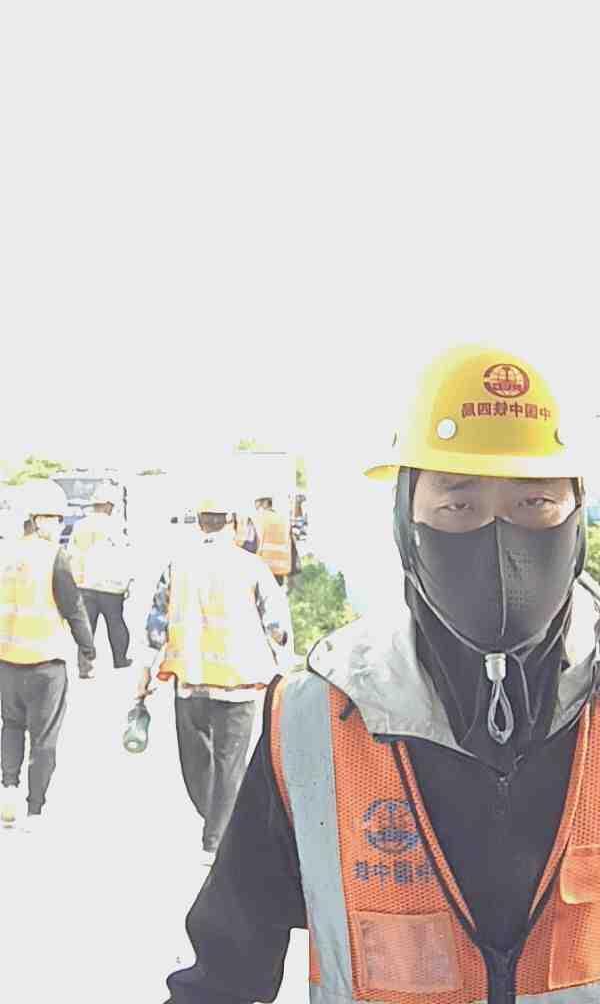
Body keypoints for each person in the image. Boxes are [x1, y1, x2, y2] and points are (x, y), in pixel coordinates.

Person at [160, 345, 600, 1004]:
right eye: (459, 506)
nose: (499, 539)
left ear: (576, 519)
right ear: (406, 525)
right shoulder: (314, 721)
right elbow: (223, 976)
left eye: (533, 502)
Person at [137, 494, 293, 867]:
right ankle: (218, 834)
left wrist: (145, 671)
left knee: (196, 765)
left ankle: (215, 831)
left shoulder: (178, 566)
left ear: (199, 523)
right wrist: (285, 663)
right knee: (229, 765)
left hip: (190, 680)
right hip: (237, 684)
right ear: (233, 523)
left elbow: (156, 625)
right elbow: (276, 626)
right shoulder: (252, 567)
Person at [0, 480, 95, 832]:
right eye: (55, 519)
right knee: (44, 739)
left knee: (11, 726)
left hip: (7, 661)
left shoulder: (5, 553)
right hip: (45, 663)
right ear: (38, 519)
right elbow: (73, 607)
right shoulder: (53, 556)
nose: (59, 525)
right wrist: (88, 650)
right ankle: (34, 809)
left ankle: (8, 788)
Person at [68, 483, 133, 677]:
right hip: (111, 586)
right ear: (108, 505)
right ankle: (120, 660)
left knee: (86, 627)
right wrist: (127, 582)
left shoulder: (80, 526)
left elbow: (71, 554)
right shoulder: (117, 526)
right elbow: (125, 556)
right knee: (116, 623)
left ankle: (85, 667)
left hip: (85, 584)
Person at [252, 495, 298, 588]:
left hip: (263, 567)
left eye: (258, 502)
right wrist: (292, 575)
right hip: (280, 569)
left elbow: (252, 543)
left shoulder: (259, 518)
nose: (256, 505)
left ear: (265, 503)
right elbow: (292, 546)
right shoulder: (283, 520)